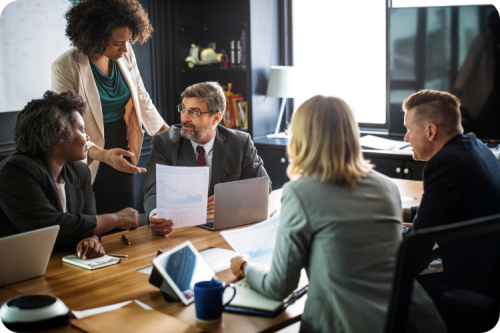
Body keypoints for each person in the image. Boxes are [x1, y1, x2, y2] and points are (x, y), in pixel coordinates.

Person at [229, 95, 445, 333]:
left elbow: (278, 287)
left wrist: (245, 267)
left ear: (300, 139)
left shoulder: (300, 192)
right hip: (408, 320)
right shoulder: (387, 187)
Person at [51, 0, 168, 218]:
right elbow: (66, 125)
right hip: (85, 148)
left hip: (121, 142)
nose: (125, 49)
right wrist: (103, 154)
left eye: (127, 41)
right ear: (95, 37)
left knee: (123, 214)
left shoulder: (125, 52)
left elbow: (142, 98)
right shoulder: (65, 66)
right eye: (117, 43)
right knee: (93, 216)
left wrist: (169, 135)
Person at [0, 91, 140, 259]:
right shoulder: (16, 171)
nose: (87, 137)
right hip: (20, 266)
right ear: (59, 134)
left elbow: (89, 220)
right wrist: (116, 219)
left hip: (64, 263)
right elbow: (53, 227)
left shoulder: (79, 171)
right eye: (82, 129)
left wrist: (91, 239)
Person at [401, 90, 500, 312]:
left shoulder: (445, 163)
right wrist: (403, 214)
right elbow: (450, 209)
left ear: (430, 131)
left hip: (464, 283)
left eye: (408, 130)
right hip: (485, 272)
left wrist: (382, 241)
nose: (406, 138)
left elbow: (418, 244)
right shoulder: (476, 147)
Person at [143, 82, 271, 236]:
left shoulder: (240, 143)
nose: (185, 117)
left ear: (216, 118)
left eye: (195, 112)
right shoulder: (165, 142)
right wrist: (156, 214)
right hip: (181, 231)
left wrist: (228, 199)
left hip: (225, 229)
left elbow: (263, 186)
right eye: (183, 109)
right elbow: (153, 190)